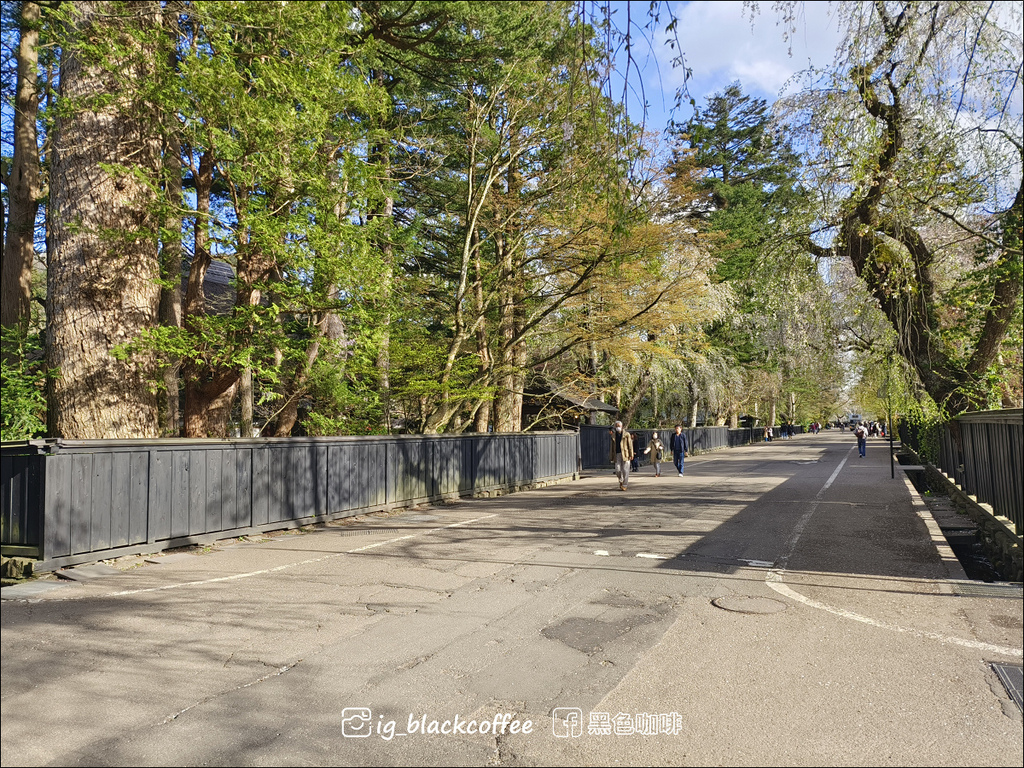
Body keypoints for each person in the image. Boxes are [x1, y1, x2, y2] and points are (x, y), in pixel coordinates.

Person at [608, 421, 634, 490]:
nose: (618, 427)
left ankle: (625, 485)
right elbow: (611, 447)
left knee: (626, 470)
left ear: (622, 426)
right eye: (616, 426)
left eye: (619, 426)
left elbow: (630, 445)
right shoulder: (613, 435)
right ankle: (621, 480)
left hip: (625, 454)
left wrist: (631, 454)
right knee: (618, 470)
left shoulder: (626, 434)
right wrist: (611, 456)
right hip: (617, 454)